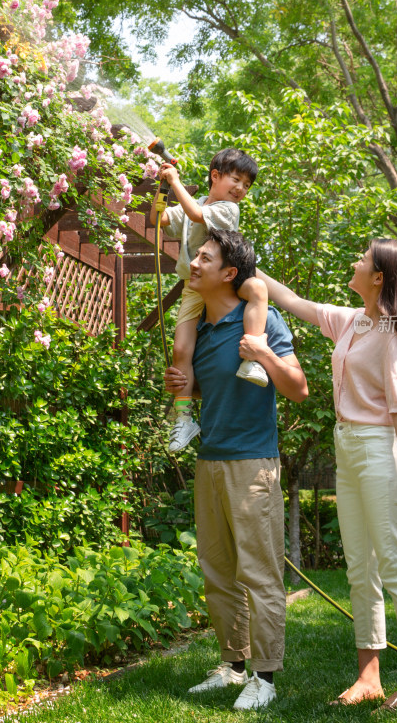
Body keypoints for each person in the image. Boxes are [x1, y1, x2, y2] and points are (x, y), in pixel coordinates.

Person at [256, 239, 397, 713]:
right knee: (359, 566)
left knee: (395, 565)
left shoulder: (392, 336)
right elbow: (291, 300)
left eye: (363, 260)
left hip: (381, 451)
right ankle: (369, 677)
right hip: (348, 447)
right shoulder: (351, 321)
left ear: (379, 278)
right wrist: (245, 261)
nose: (354, 263)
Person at [164, 228, 308, 711]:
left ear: (230, 273)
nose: (195, 263)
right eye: (196, 255)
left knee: (260, 574)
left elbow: (298, 389)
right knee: (218, 573)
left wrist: (262, 352)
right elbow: (214, 387)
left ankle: (265, 677)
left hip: (252, 466)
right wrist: (187, 384)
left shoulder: (263, 321)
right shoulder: (199, 330)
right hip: (210, 462)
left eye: (205, 257)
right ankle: (233, 666)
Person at [150, 148, 269, 453]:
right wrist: (161, 187)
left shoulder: (228, 210)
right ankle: (184, 418)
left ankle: (252, 361)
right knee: (180, 350)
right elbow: (158, 219)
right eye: (236, 179)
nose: (241, 189)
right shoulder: (198, 203)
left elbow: (196, 214)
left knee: (256, 289)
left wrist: (175, 180)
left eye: (246, 185)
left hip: (226, 281)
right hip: (195, 286)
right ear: (215, 176)